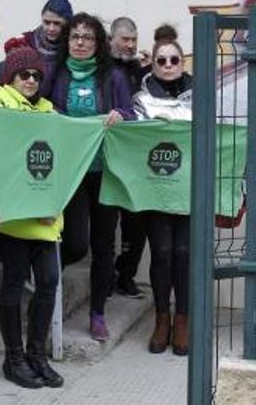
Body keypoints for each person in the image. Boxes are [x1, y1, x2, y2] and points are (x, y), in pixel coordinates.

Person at [43, 13, 135, 342]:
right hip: (71, 170)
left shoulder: (114, 77)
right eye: (75, 37)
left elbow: (130, 113)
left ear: (99, 45)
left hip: (105, 170)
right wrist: (48, 111)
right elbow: (37, 106)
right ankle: (43, 281)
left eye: (88, 38)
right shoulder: (56, 72)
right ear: (67, 41)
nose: (80, 43)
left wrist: (119, 114)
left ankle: (97, 312)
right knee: (75, 242)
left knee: (103, 245)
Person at [0, 47, 64, 390]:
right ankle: (13, 358)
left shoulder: (48, 109)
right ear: (10, 77)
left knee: (48, 283)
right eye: (24, 74)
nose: (30, 80)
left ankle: (36, 356)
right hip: (12, 213)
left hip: (43, 215)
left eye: (36, 76)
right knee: (13, 286)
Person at [133, 25, 193, 356]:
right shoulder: (141, 98)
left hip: (187, 190)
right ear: (153, 63)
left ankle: (183, 318)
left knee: (184, 252)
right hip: (155, 188)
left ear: (182, 62)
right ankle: (162, 318)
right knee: (163, 252)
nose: (168, 65)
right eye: (161, 60)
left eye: (174, 59)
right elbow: (135, 140)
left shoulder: (201, 95)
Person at [109, 16, 149, 300]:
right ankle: (106, 276)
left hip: (135, 155)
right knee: (107, 222)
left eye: (133, 40)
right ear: (112, 39)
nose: (130, 45)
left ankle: (126, 275)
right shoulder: (101, 67)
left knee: (137, 221)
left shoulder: (139, 69)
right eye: (125, 39)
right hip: (107, 153)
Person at [0, 0, 74, 77]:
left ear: (67, 23)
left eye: (57, 23)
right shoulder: (25, 42)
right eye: (47, 22)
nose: (51, 28)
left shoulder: (74, 49)